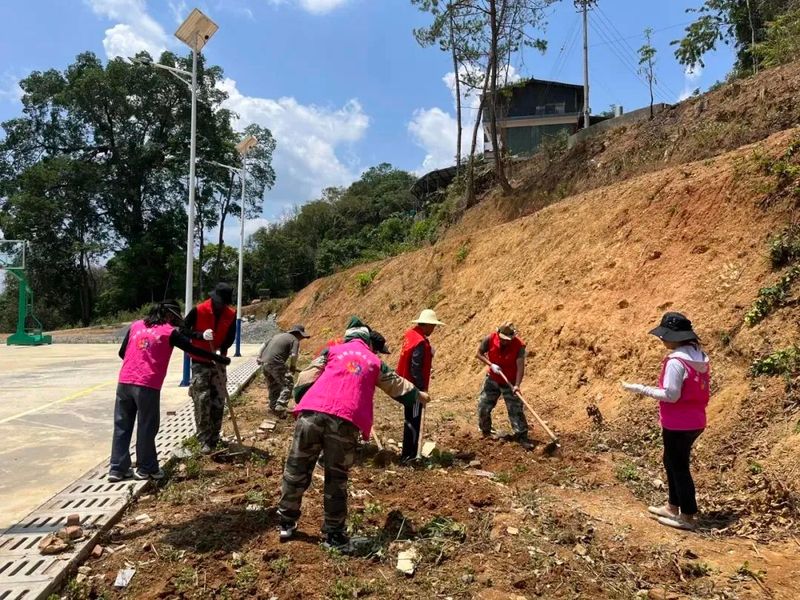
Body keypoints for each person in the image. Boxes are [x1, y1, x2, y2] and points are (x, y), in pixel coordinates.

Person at [277, 317, 430, 552]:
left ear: (348, 337)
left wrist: (304, 399)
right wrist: (418, 394)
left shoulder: (331, 351)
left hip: (311, 414)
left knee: (297, 468)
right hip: (345, 420)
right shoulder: (374, 361)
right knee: (336, 478)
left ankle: (286, 522)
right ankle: (334, 536)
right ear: (368, 341)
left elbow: (304, 378)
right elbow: (397, 386)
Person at [110, 300, 230, 481]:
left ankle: (117, 469)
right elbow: (191, 349)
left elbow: (122, 353)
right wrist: (217, 358)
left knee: (122, 426)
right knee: (147, 426)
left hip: (124, 382)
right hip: (147, 384)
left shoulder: (135, 326)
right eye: (175, 318)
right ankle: (147, 469)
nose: (176, 322)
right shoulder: (168, 331)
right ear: (169, 315)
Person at [622, 312, 710, 531]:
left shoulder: (676, 361)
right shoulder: (699, 356)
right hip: (696, 420)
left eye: (665, 335)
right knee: (671, 461)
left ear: (675, 337)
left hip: (678, 423)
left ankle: (687, 515)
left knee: (679, 466)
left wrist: (641, 389)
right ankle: (673, 505)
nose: (662, 339)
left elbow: (671, 394)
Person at [184, 283, 237, 454]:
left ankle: (214, 436)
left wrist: (221, 350)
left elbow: (230, 337)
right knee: (202, 399)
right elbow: (182, 330)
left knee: (219, 399)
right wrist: (199, 335)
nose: (221, 305)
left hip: (218, 362)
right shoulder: (198, 310)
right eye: (219, 302)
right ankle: (203, 439)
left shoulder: (230, 314)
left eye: (224, 303)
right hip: (200, 361)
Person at [475, 322, 532, 449]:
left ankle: (521, 436)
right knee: (483, 405)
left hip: (509, 382)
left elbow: (520, 367)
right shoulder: (490, 339)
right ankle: (486, 431)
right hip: (493, 378)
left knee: (515, 410)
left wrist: (517, 385)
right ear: (498, 334)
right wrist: (491, 364)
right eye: (502, 339)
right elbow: (478, 353)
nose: (505, 342)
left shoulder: (519, 346)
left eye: (508, 340)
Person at [396, 309, 443, 461]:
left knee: (410, 418)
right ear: (427, 325)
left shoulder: (412, 335)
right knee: (413, 420)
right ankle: (410, 455)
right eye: (433, 326)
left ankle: (408, 453)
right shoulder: (421, 342)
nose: (434, 329)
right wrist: (421, 389)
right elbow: (415, 368)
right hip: (413, 388)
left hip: (404, 383)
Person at [257, 324, 311, 415]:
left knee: (273, 385)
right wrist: (293, 366)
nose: (302, 339)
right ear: (298, 334)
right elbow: (294, 355)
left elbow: (263, 345)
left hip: (264, 363)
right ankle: (281, 405)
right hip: (276, 363)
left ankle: (273, 406)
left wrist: (259, 356)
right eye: (302, 337)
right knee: (288, 383)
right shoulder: (294, 340)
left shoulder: (278, 335)